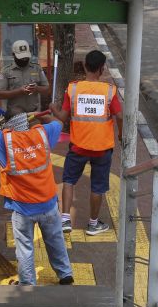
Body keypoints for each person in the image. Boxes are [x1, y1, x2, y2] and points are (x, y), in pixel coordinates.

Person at [0, 111, 73, 286]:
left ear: (9, 126)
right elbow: (58, 123)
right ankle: (65, 275)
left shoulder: (3, 139)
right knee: (55, 240)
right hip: (48, 204)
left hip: (22, 209)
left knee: (25, 249)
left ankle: (28, 284)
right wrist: (45, 116)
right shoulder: (43, 133)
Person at [50, 50, 123, 236]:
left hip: (77, 147)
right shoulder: (109, 90)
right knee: (97, 187)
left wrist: (54, 109)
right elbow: (120, 116)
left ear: (84, 66)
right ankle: (93, 224)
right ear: (102, 68)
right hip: (102, 149)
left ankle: (65, 219)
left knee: (68, 180)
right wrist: (121, 134)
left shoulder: (73, 89)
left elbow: (62, 117)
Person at [0, 40, 50, 118]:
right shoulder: (6, 71)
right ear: (13, 55)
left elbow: (47, 89)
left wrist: (36, 88)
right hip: (15, 116)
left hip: (34, 114)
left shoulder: (36, 68)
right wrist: (19, 91)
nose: (24, 59)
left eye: (26, 57)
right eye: (21, 57)